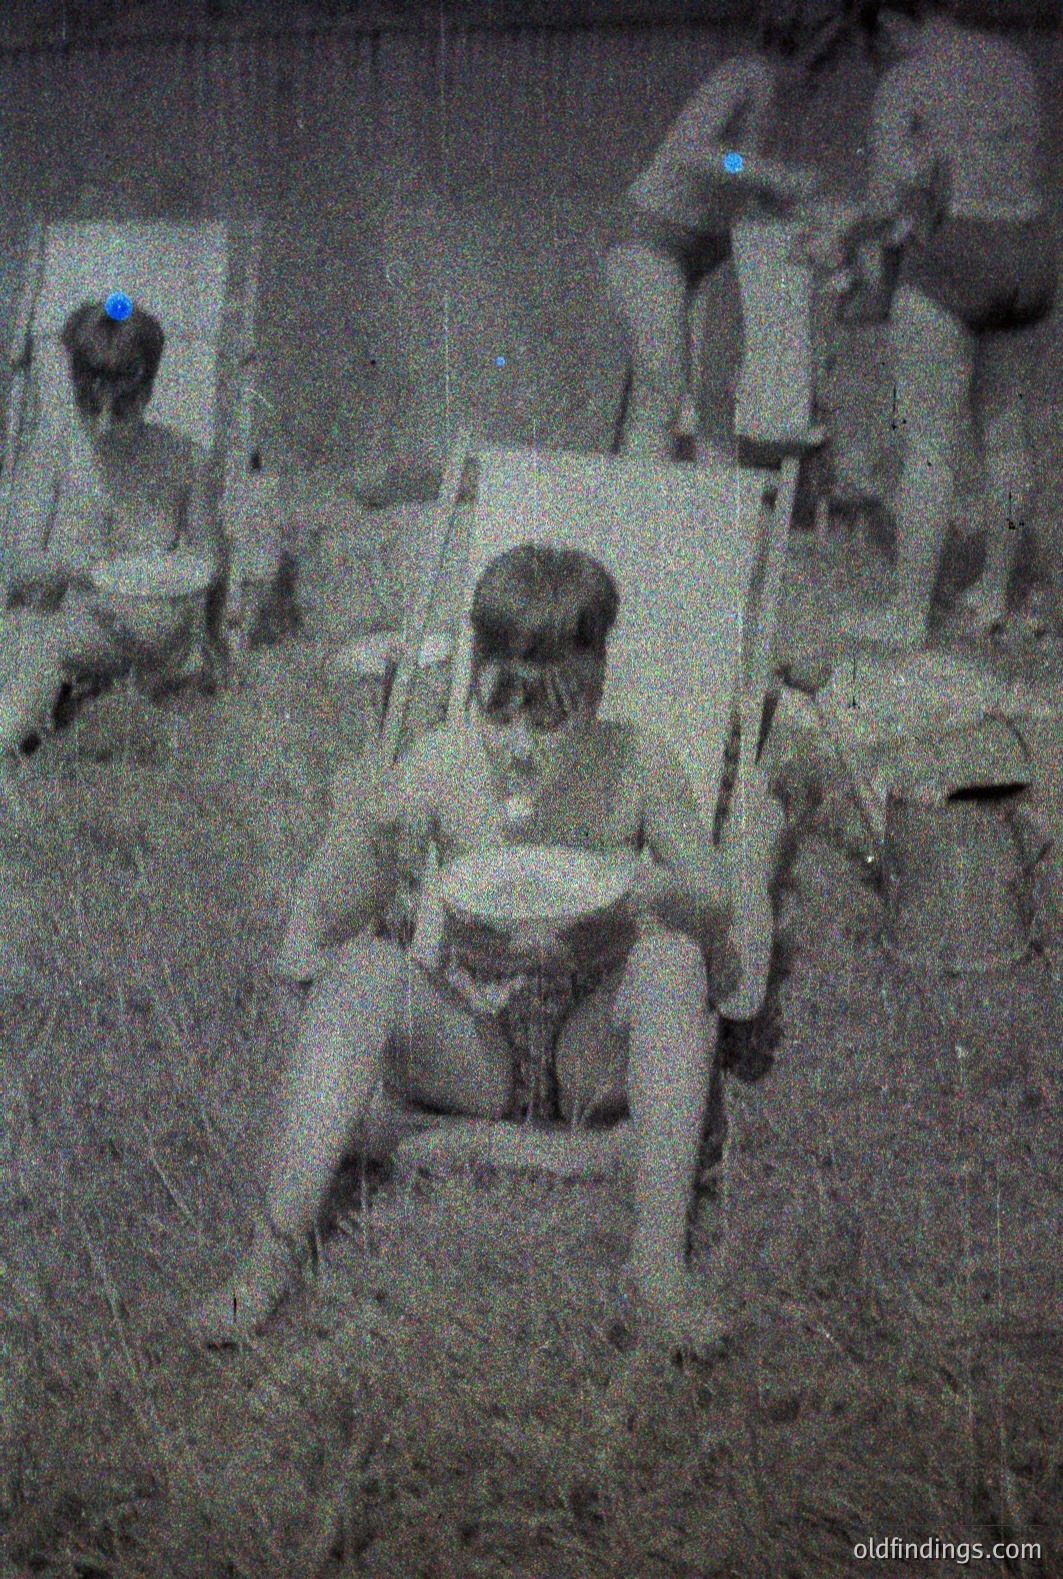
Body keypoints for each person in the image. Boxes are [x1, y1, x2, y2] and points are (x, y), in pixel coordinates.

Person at [193, 544, 777, 1357]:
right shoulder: (440, 762)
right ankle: (268, 1257)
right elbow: (327, 923)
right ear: (473, 689)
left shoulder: (637, 765)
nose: (517, 746)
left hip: (586, 1045)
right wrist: (365, 836)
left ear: (596, 691)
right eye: (497, 715)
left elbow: (716, 906)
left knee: (672, 961)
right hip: (472, 1042)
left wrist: (663, 897)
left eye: (548, 719)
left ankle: (656, 1272)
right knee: (361, 971)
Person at [834, 0, 1057, 648]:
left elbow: (883, 200)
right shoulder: (1012, 61)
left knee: (927, 444)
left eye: (870, 44)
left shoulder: (905, 79)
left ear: (885, 22)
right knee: (1005, 437)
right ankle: (992, 594)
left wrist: (842, 238)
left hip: (955, 252)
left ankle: (905, 617)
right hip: (1028, 248)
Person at [602, 2, 846, 460]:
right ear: (808, 47)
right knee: (663, 385)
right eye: (824, 64)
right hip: (650, 240)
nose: (821, 84)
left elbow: (752, 184)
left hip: (706, 251)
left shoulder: (777, 98)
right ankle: (632, 511)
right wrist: (764, 172)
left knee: (718, 391)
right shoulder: (745, 76)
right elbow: (693, 148)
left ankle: (710, 506)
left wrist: (816, 214)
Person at [0, 298, 223, 751]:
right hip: (63, 618)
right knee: (32, 634)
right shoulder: (53, 451)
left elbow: (209, 563)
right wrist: (71, 567)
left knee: (46, 643)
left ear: (148, 394)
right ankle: (44, 715)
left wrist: (171, 572)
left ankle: (15, 733)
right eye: (89, 409)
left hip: (147, 631)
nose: (102, 427)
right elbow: (17, 568)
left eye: (121, 412)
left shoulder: (184, 459)